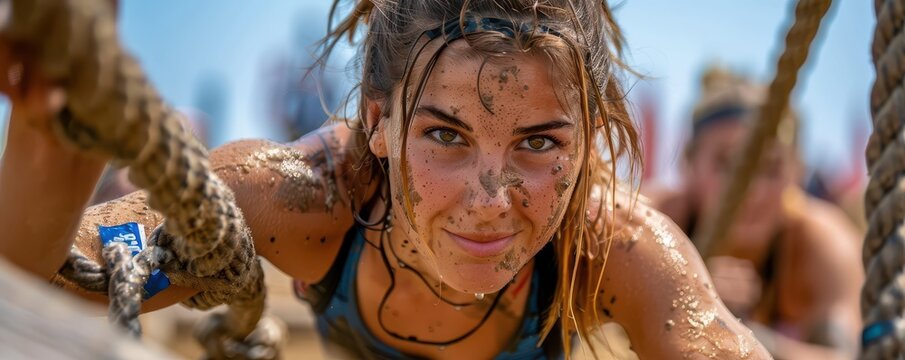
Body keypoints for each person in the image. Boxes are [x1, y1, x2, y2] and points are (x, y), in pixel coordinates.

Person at [0, 1, 769, 358]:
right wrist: (51, 144)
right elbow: (39, 286)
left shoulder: (609, 245)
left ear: (588, 141)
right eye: (444, 135)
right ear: (378, 121)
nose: (489, 199)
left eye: (538, 143)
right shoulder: (303, 198)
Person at [643, 66, 863, 359]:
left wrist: (740, 336)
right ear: (690, 163)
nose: (751, 191)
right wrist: (679, 295)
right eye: (725, 164)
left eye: (771, 168)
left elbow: (847, 356)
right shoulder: (653, 222)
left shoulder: (821, 243)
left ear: (796, 172)